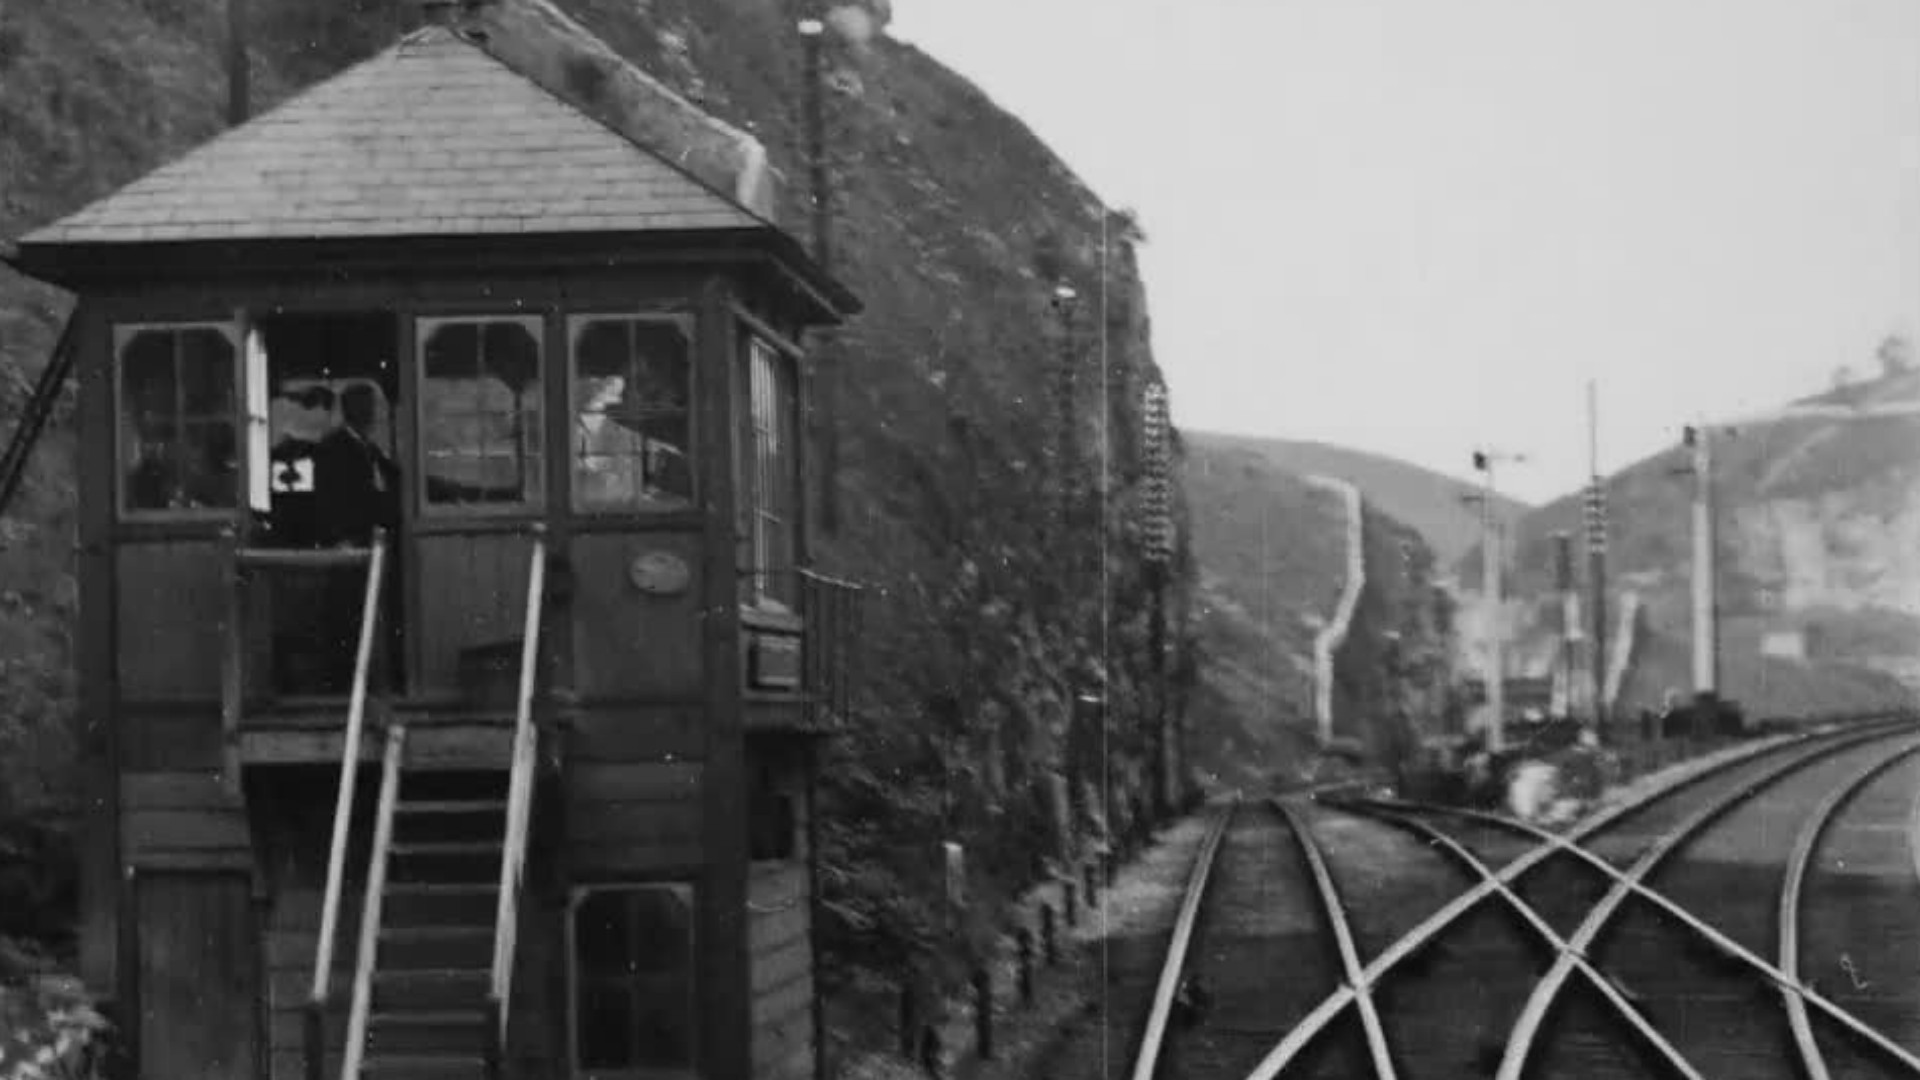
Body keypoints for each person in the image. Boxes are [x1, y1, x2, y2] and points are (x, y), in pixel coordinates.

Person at [312, 385, 401, 690]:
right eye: (368, 407)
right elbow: (325, 500)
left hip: (374, 545)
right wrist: (339, 539)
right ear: (355, 411)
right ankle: (345, 686)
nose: (373, 414)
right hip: (350, 548)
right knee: (347, 618)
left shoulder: (368, 448)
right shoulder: (333, 448)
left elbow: (396, 479)